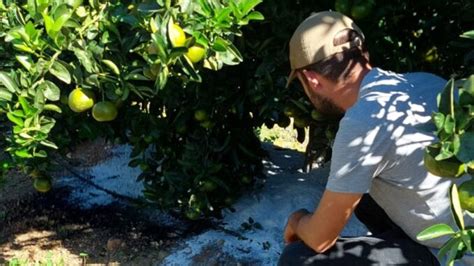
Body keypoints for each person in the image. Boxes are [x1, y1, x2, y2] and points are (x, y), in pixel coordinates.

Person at [280, 11, 473, 265]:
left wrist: (297, 219)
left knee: (298, 259)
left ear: (311, 80)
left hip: (457, 255)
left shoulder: (363, 122)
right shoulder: (424, 82)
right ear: (363, 54)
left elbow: (320, 239)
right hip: (463, 230)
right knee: (362, 194)